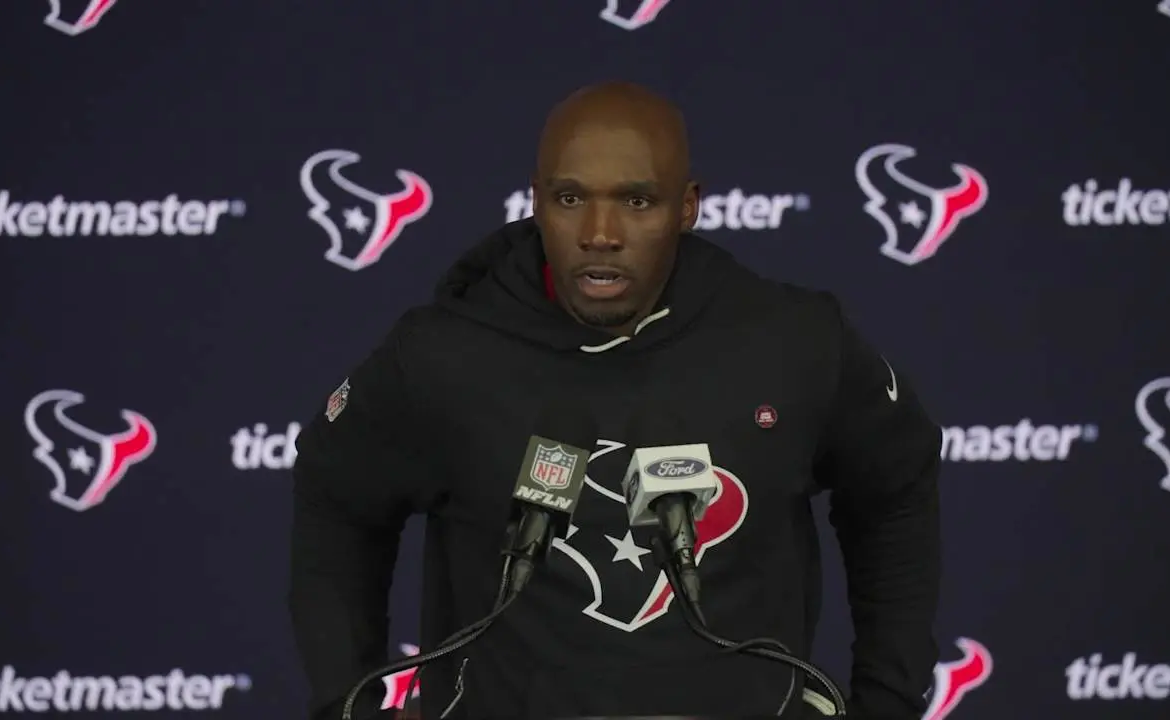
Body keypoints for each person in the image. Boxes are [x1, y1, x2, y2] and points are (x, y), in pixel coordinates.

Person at [289, 81, 943, 720]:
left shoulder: (791, 341)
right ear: (536, 202)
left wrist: (887, 700)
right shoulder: (445, 355)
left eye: (637, 201)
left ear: (687, 207)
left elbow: (896, 486)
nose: (600, 233)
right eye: (570, 198)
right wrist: (349, 707)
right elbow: (336, 498)